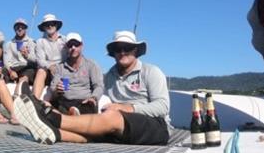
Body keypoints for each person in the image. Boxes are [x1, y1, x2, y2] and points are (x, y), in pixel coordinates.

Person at [15, 30, 170, 145]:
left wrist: (127, 108)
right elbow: (99, 90)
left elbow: (163, 107)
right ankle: (54, 132)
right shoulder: (110, 76)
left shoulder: (151, 72)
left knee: (112, 116)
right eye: (118, 48)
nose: (122, 52)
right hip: (120, 128)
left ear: (135, 50)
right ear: (113, 53)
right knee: (94, 130)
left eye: (127, 48)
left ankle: (49, 117)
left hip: (155, 127)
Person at [46, 32, 103, 115]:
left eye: (76, 44)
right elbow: (53, 88)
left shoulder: (91, 64)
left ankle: (69, 118)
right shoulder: (60, 67)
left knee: (89, 106)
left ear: (81, 45)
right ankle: (70, 117)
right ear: (66, 47)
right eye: (70, 45)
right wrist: (57, 90)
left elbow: (99, 86)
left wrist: (93, 97)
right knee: (48, 106)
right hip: (65, 102)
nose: (73, 47)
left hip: (84, 102)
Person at [32, 13, 66, 98]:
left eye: (52, 24)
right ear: (43, 27)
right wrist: (50, 67)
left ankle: (66, 102)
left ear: (56, 25)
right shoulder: (40, 41)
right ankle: (35, 100)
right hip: (47, 71)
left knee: (66, 76)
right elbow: (40, 60)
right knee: (41, 71)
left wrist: (58, 68)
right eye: (47, 24)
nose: (50, 26)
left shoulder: (65, 40)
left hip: (62, 71)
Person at [3, 18, 38, 93]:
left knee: (26, 75)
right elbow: (6, 61)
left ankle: (17, 96)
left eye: (22, 27)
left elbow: (36, 60)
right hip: (13, 68)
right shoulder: (8, 44)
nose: (20, 28)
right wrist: (11, 71)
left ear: (26, 29)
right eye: (17, 27)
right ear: (14, 29)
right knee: (0, 72)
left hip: (27, 67)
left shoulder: (32, 42)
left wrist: (27, 56)